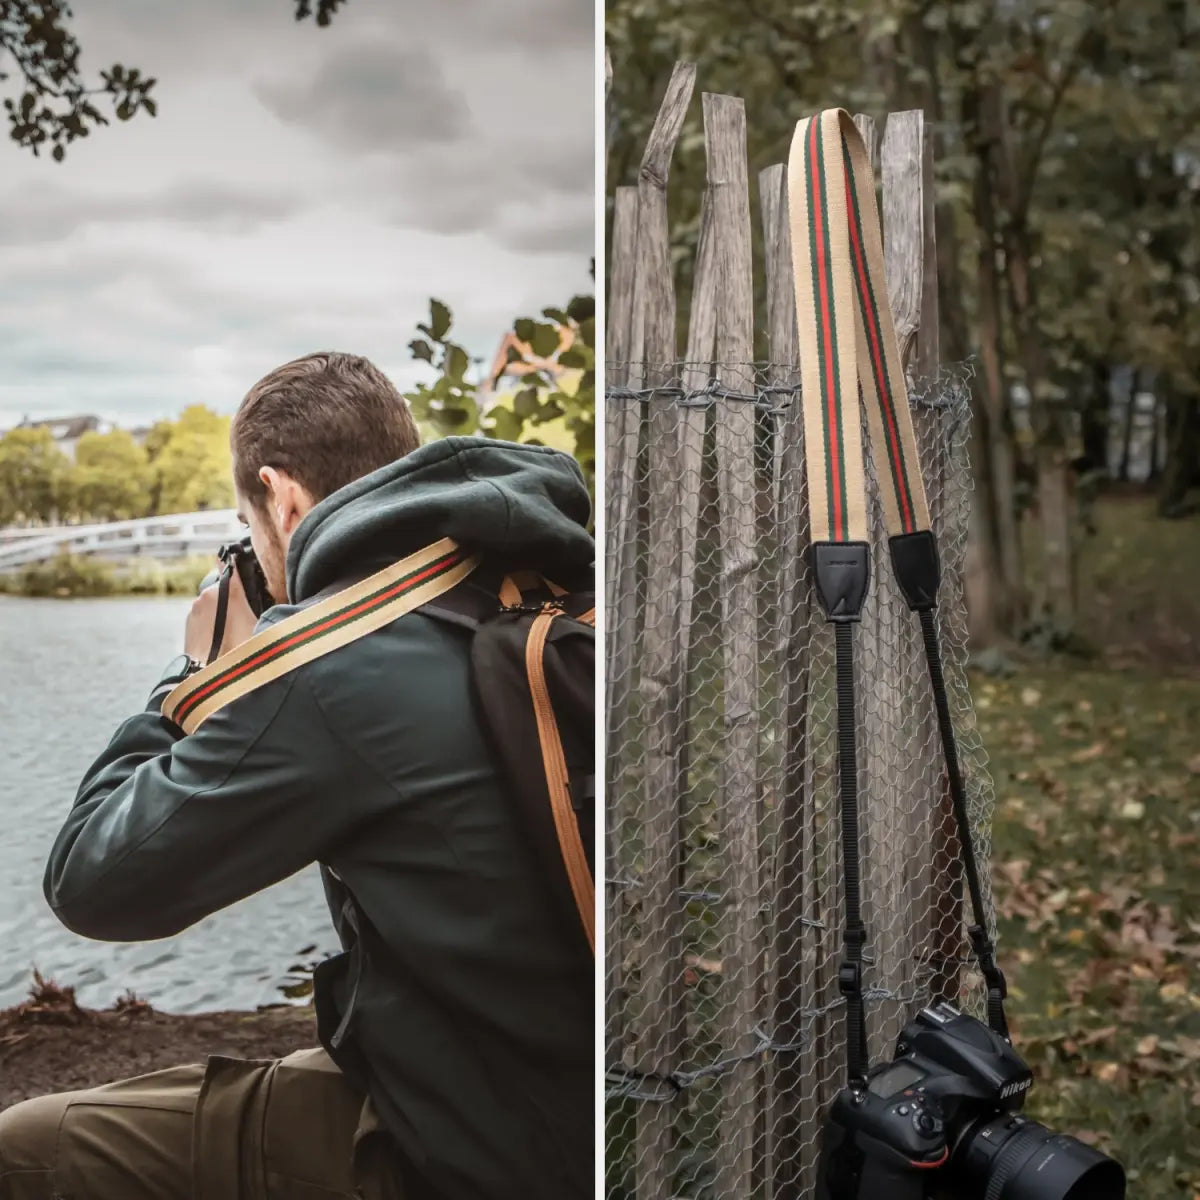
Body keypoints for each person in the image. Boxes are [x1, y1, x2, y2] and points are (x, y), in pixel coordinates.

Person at [0, 352, 595, 1200]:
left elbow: (91, 884)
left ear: (281, 499)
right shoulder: (543, 575)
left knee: (27, 1148)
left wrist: (195, 676)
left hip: (462, 1141)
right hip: (559, 1094)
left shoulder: (331, 666)